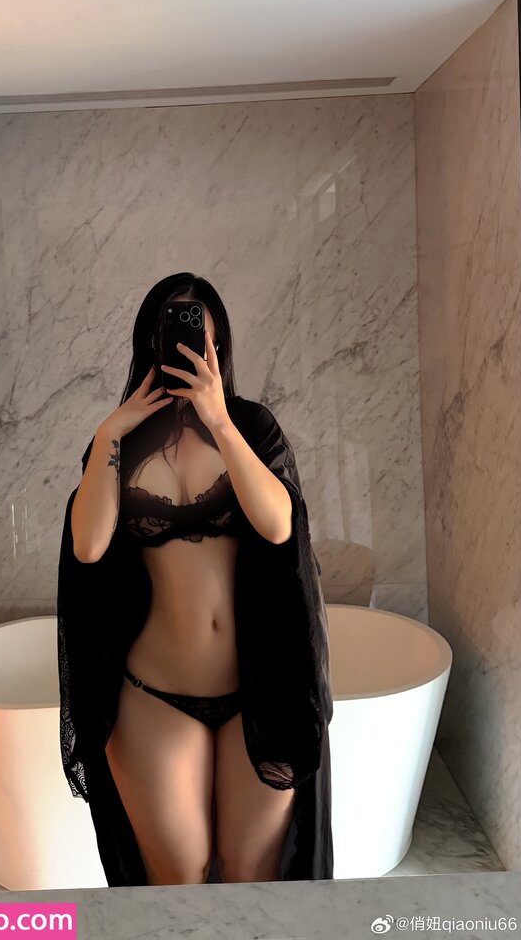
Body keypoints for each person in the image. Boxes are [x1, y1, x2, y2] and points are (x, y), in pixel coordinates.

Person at [57, 272, 333, 886]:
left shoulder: (252, 426)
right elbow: (89, 545)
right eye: (170, 336)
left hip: (256, 695)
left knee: (251, 878)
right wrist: (108, 434)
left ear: (218, 345)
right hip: (151, 694)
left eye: (197, 338)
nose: (184, 350)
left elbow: (279, 525)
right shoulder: (121, 441)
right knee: (176, 881)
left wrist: (219, 419)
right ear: (148, 345)